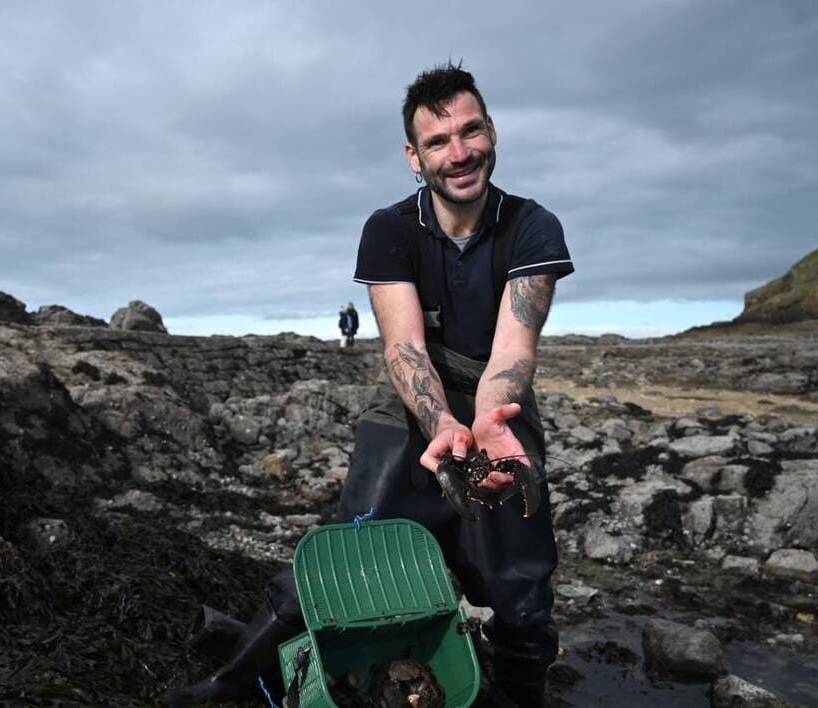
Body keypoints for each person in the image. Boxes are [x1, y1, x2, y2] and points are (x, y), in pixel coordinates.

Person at [167, 63, 573, 708]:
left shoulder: (532, 225)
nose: (459, 153)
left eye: (471, 132)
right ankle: (229, 683)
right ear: (415, 157)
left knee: (520, 584)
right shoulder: (389, 228)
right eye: (438, 142)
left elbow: (512, 348)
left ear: (492, 132)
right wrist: (441, 425)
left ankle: (523, 696)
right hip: (407, 400)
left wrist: (489, 420)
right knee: (351, 545)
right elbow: (405, 346)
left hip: (499, 401)